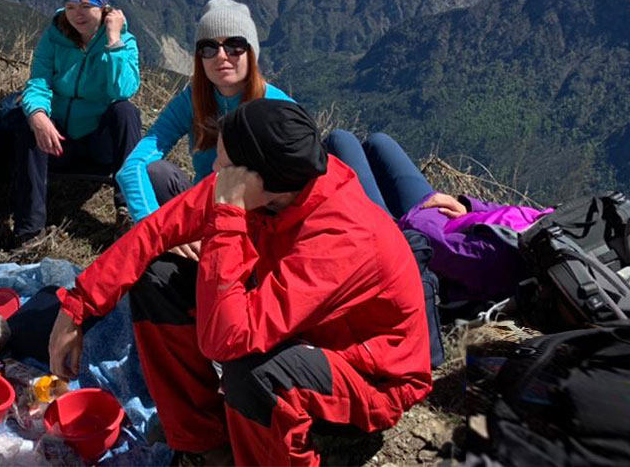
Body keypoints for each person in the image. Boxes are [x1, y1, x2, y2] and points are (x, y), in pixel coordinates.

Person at [48, 100, 432, 466]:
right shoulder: (281, 181)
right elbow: (156, 232)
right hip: (303, 332)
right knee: (158, 278)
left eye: (225, 162)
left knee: (257, 374)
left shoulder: (341, 237)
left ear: (262, 182)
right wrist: (77, 307)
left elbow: (226, 340)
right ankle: (206, 445)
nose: (215, 165)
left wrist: (228, 213)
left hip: (370, 379)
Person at [118, 0, 292, 237]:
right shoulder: (192, 100)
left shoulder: (279, 107)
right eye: (209, 48)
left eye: (235, 45)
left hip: (259, 223)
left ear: (251, 52)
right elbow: (134, 166)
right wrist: (152, 230)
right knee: (156, 173)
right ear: (200, 58)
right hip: (204, 211)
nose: (221, 55)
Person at [326, 130, 552, 304]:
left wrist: (420, 213)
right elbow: (516, 214)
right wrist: (469, 206)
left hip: (405, 239)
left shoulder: (508, 260)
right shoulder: (556, 227)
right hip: (438, 217)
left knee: (340, 141)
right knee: (378, 142)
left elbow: (440, 250)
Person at [11, 0, 141, 243]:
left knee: (125, 112)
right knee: (29, 121)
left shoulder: (124, 42)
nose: (77, 14)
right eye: (70, 7)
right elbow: (38, 82)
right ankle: (29, 230)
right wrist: (38, 114)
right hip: (58, 141)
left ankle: (127, 210)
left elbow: (123, 90)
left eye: (86, 6)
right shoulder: (54, 38)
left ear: (103, 7)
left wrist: (113, 42)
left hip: (98, 142)